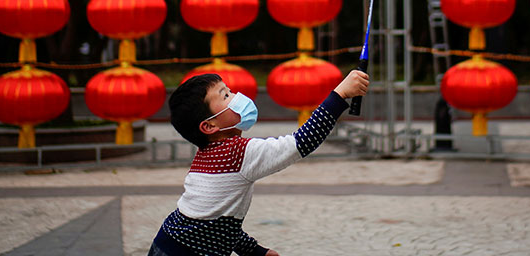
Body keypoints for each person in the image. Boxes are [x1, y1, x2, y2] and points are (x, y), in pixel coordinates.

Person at [149, 68, 370, 256]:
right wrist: (340, 94)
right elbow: (302, 142)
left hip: (169, 242)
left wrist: (253, 251)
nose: (236, 97)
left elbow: (218, 218)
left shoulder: (206, 154)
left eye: (230, 91)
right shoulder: (237, 153)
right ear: (209, 126)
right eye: (225, 96)